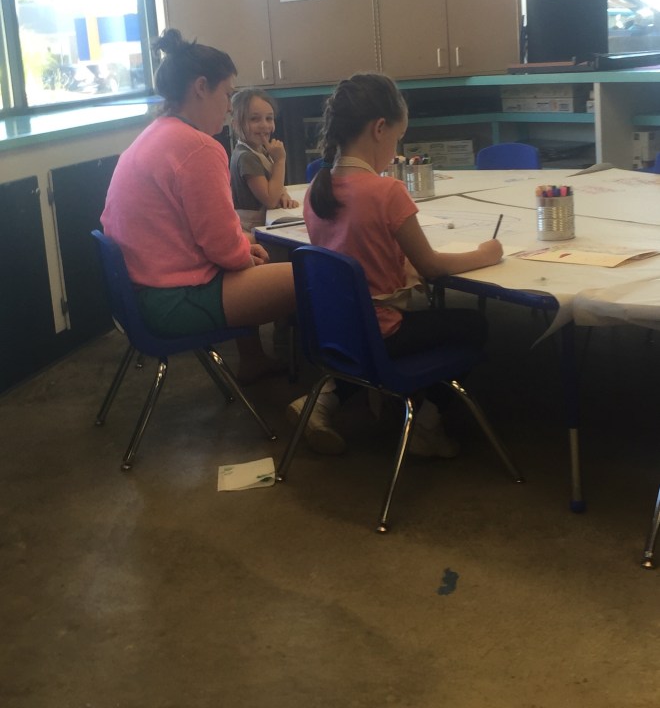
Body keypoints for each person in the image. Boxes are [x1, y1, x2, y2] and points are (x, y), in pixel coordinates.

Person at [287, 72, 503, 456]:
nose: (395, 149)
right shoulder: (387, 191)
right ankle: (427, 427)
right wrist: (487, 253)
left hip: (337, 331)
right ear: (379, 128)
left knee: (372, 341)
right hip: (382, 334)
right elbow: (431, 266)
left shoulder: (317, 190)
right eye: (397, 138)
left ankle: (320, 402)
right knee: (474, 324)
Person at [101, 29, 295, 385]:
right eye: (227, 94)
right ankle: (330, 385)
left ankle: (254, 360)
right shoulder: (198, 148)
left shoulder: (154, 134)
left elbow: (202, 233)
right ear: (201, 87)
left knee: (255, 255)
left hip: (141, 296)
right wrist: (243, 253)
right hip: (173, 301)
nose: (229, 107)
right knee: (313, 277)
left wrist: (242, 248)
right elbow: (222, 247)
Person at [229, 88, 299, 232]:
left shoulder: (260, 150)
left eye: (269, 118)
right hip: (251, 230)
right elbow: (270, 200)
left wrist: (283, 194)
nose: (264, 125)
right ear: (235, 124)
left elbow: (273, 186)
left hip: (264, 223)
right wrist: (280, 161)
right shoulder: (246, 157)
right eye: (254, 119)